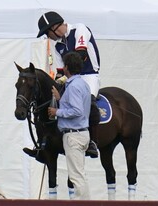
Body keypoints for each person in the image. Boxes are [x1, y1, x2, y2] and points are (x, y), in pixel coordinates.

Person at [24, 11, 100, 158]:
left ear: (54, 27)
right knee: (50, 99)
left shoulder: (79, 29)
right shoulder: (56, 44)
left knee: (89, 102)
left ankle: (93, 142)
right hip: (70, 78)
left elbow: (80, 57)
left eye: (47, 32)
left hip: (88, 75)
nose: (47, 36)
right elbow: (60, 70)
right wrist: (56, 84)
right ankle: (45, 142)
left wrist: (65, 78)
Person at [48, 52, 91, 200]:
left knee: (76, 177)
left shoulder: (73, 87)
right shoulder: (82, 84)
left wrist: (57, 111)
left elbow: (77, 110)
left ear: (67, 67)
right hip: (82, 133)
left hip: (73, 135)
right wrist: (61, 99)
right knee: (80, 174)